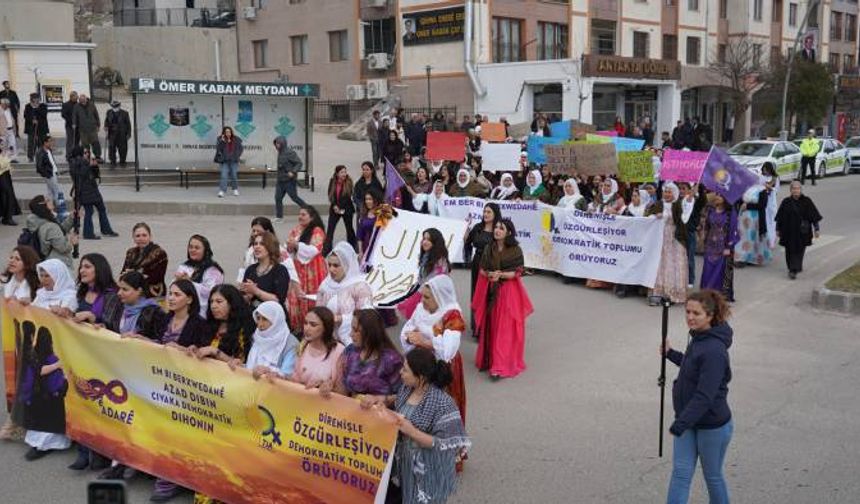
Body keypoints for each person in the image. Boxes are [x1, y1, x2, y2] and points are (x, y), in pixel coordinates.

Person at [367, 347, 469, 504]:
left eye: (405, 370)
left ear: (420, 377)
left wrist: (411, 431)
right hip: (405, 464)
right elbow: (398, 400)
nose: (400, 372)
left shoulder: (442, 403)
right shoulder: (407, 389)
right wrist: (382, 400)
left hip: (428, 470)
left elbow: (447, 444)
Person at [663, 290, 734, 504]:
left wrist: (680, 423)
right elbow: (693, 367)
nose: (690, 317)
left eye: (696, 313)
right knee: (681, 475)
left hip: (712, 425)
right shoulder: (700, 338)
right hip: (688, 420)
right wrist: (671, 354)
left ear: (710, 316)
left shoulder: (713, 350)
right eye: (687, 311)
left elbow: (705, 395)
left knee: (712, 476)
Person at [20, 259, 79, 460]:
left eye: (48, 275)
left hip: (58, 351)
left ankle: (50, 442)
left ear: (58, 275)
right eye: (42, 275)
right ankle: (37, 438)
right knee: (39, 393)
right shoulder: (41, 294)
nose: (44, 280)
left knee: (52, 392)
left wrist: (62, 313)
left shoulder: (69, 295)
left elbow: (70, 319)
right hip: (40, 351)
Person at [400, 275, 467, 428]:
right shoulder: (421, 309)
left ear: (439, 297)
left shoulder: (452, 315)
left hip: (441, 368)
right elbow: (408, 330)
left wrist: (423, 341)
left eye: (427, 297)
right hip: (420, 365)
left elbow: (447, 351)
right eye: (422, 295)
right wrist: (410, 337)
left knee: (441, 411)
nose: (422, 300)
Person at [473, 219, 533, 379]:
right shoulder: (488, 248)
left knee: (504, 329)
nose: (497, 230)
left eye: (501, 228)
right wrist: (489, 274)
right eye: (496, 227)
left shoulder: (515, 250)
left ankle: (499, 366)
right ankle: (490, 360)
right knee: (492, 326)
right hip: (491, 292)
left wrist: (501, 275)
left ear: (509, 232)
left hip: (508, 293)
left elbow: (518, 272)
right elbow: (482, 269)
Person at [0, 246, 39, 442]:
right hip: (12, 337)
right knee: (15, 377)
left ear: (27, 263)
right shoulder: (8, 281)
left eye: (18, 258)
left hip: (30, 339)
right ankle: (17, 420)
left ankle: (16, 421)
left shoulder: (33, 284)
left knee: (26, 378)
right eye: (11, 257)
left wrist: (30, 303)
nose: (12, 261)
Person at [333, 309, 402, 398]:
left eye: (356, 330)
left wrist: (380, 400)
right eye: (351, 329)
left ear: (370, 332)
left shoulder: (391, 360)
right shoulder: (350, 351)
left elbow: (401, 396)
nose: (350, 334)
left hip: (379, 410)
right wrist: (329, 388)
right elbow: (343, 389)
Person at [317, 242, 374, 346]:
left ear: (347, 265)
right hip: (330, 340)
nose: (331, 269)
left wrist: (342, 319)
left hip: (354, 341)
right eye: (329, 265)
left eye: (336, 265)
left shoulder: (360, 286)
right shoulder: (325, 285)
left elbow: (368, 315)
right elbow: (318, 310)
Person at [284, 205, 327, 331]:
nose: (300, 217)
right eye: (299, 214)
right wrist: (290, 247)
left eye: (303, 214)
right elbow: (289, 249)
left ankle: (314, 325)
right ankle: (298, 327)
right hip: (297, 269)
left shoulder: (317, 231)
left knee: (311, 296)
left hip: (313, 269)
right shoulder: (296, 230)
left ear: (312, 217)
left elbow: (314, 250)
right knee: (297, 295)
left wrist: (297, 245)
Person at [646, 182, 688, 305]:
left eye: (670, 192)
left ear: (674, 193)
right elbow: (648, 217)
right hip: (660, 238)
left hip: (674, 238)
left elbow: (682, 220)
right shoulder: (658, 204)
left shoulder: (678, 205)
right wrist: (654, 215)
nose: (667, 194)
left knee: (674, 263)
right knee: (660, 263)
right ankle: (658, 293)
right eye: (665, 191)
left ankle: (673, 293)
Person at [464, 203, 501, 335]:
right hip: (478, 263)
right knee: (477, 294)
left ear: (495, 213)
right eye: (484, 212)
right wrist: (466, 230)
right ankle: (478, 327)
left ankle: (490, 327)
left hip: (492, 265)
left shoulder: (499, 229)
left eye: (489, 212)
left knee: (491, 296)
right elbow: (467, 242)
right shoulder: (478, 228)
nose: (486, 214)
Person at [397, 228, 451, 319]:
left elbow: (436, 282)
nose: (425, 242)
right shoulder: (426, 255)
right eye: (424, 239)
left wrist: (421, 295)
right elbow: (422, 278)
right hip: (423, 291)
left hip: (432, 296)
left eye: (428, 240)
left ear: (435, 242)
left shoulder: (439, 261)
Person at [286, 306, 345, 388]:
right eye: (305, 323)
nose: (307, 328)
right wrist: (278, 376)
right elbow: (296, 380)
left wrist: (326, 387)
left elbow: (342, 391)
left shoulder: (339, 351)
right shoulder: (303, 346)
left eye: (313, 325)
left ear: (326, 327)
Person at [775, 181, 822, 279]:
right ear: (790, 190)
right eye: (794, 189)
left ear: (801, 190)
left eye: (798, 189)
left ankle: (794, 269)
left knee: (800, 250)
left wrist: (816, 229)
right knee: (789, 250)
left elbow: (814, 216)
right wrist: (778, 229)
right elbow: (780, 217)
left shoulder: (807, 201)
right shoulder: (786, 202)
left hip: (802, 232)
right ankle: (792, 267)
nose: (796, 190)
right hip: (788, 231)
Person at [69, 146, 118, 240]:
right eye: (85, 152)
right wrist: (89, 165)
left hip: (91, 190)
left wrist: (95, 166)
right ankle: (89, 233)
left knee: (101, 209)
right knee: (89, 211)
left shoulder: (81, 162)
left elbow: (94, 175)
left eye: (87, 152)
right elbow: (81, 175)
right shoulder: (78, 162)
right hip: (86, 191)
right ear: (79, 153)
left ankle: (105, 229)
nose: (87, 154)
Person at [700, 194, 739, 302]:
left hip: (723, 247)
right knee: (707, 270)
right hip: (710, 246)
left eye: (720, 196)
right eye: (716, 195)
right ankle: (706, 294)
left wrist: (729, 246)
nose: (717, 197)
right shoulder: (710, 210)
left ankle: (719, 296)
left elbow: (734, 230)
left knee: (720, 271)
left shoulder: (730, 213)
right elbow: (705, 225)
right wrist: (703, 235)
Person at [175, 235, 224, 317]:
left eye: (197, 248)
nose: (193, 250)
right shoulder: (184, 266)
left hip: (203, 314)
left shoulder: (213, 270)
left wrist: (189, 283)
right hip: (182, 312)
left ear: (205, 251)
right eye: (190, 247)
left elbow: (212, 293)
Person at [72, 253, 122, 332]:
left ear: (100, 269)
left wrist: (91, 317)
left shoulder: (112, 295)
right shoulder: (83, 291)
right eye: (81, 267)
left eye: (87, 267)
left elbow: (112, 326)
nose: (81, 271)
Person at [24, 196, 77, 269]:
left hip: (47, 260)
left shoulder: (39, 221)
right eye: (48, 200)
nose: (51, 201)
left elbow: (60, 230)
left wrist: (71, 218)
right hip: (59, 263)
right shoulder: (50, 226)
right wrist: (71, 242)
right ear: (42, 205)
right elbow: (63, 248)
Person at [240, 230, 290, 309]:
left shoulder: (280, 270)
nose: (257, 246)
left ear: (271, 247)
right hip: (252, 315)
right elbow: (244, 300)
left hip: (272, 316)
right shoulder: (250, 270)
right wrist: (247, 296)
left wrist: (256, 291)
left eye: (262, 244)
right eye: (255, 244)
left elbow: (278, 300)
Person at [121, 222, 169, 299]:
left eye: (144, 235)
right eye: (137, 236)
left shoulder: (160, 253)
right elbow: (122, 274)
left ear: (150, 237)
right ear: (133, 238)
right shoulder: (130, 252)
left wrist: (133, 274)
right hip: (132, 291)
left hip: (152, 292)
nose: (141, 238)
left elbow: (156, 278)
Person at [734, 185, 773, 267]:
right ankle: (742, 258)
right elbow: (740, 201)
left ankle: (752, 258)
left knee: (753, 238)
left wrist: (748, 206)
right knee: (743, 237)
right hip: (744, 218)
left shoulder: (762, 190)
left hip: (756, 219)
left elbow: (762, 205)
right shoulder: (745, 187)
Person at [324, 165, 357, 254]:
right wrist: (334, 206)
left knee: (349, 229)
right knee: (330, 229)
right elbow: (330, 194)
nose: (344, 174)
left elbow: (347, 196)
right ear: (337, 173)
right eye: (342, 172)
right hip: (335, 209)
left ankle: (353, 247)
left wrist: (340, 208)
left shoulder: (349, 182)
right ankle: (326, 250)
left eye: (345, 172)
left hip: (346, 209)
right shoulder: (332, 181)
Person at [679, 183, 706, 288]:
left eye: (683, 188)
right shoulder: (678, 202)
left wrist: (699, 189)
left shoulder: (695, 202)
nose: (681, 191)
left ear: (690, 190)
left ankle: (690, 280)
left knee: (689, 258)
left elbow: (702, 201)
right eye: (680, 188)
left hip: (690, 233)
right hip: (679, 234)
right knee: (679, 258)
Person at [273, 136, 306, 221]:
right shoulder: (279, 152)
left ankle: (309, 211)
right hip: (280, 180)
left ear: (283, 144)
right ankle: (279, 217)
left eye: (278, 143)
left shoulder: (290, 152)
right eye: (276, 143)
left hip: (289, 181)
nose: (277, 145)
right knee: (278, 198)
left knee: (294, 198)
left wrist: (293, 172)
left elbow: (299, 163)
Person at [353, 160, 383, 229]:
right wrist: (361, 205)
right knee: (360, 229)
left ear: (372, 170)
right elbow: (355, 196)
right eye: (363, 170)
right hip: (361, 210)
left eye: (367, 169)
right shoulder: (359, 183)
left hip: (373, 211)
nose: (365, 171)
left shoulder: (376, 183)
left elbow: (380, 196)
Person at [215, 126, 243, 198]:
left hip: (234, 161)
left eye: (229, 132)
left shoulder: (236, 139)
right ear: (224, 133)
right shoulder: (220, 139)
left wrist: (237, 156)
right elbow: (218, 149)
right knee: (224, 176)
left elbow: (241, 148)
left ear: (231, 132)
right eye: (226, 132)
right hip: (225, 161)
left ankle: (235, 189)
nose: (228, 133)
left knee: (234, 175)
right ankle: (222, 191)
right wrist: (222, 141)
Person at [35, 135, 63, 207]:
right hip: (49, 174)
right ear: (45, 143)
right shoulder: (40, 152)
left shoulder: (49, 150)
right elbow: (39, 166)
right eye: (49, 141)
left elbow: (52, 162)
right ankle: (59, 207)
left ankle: (50, 207)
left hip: (53, 173)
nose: (51, 143)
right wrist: (46, 174)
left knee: (50, 192)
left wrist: (56, 170)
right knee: (56, 190)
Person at [73, 94, 101, 160]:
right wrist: (74, 123)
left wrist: (98, 125)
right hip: (82, 129)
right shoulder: (76, 106)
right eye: (81, 101)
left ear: (86, 99)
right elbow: (74, 116)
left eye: (83, 100)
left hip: (92, 128)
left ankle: (98, 156)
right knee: (85, 144)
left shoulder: (92, 105)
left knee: (95, 143)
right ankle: (87, 157)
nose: (82, 102)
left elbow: (96, 115)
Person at [104, 101, 132, 168]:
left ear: (119, 106)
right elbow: (106, 121)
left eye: (116, 107)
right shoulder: (109, 112)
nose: (114, 108)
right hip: (112, 133)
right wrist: (106, 126)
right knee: (111, 148)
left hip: (121, 133)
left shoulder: (125, 113)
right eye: (113, 107)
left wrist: (129, 134)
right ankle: (113, 161)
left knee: (122, 149)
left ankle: (122, 161)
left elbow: (128, 124)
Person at [357, 188, 384, 255]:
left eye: (370, 199)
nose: (367, 201)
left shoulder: (381, 213)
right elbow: (360, 235)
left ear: (375, 200)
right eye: (366, 199)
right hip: (366, 247)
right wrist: (360, 252)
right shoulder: (363, 214)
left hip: (378, 247)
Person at [23, 93, 48, 162]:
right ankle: (31, 157)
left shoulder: (43, 106)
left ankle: (42, 157)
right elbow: (25, 115)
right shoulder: (28, 106)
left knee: (41, 143)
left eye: (38, 98)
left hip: (41, 128)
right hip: (31, 128)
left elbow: (44, 114)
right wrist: (32, 120)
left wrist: (37, 107)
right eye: (35, 98)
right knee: (31, 143)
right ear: (32, 99)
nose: (37, 99)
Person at [0, 143, 20, 225]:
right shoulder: (3, 154)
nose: (2, 146)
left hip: (5, 175)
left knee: (8, 196)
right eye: (0, 144)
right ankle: (7, 218)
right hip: (1, 176)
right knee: (7, 195)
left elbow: (6, 166)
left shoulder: (2, 153)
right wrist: (7, 157)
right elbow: (2, 165)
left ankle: (7, 217)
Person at [61, 91, 79, 156]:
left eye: (77, 96)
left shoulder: (78, 105)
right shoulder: (66, 105)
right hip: (69, 126)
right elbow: (63, 115)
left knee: (77, 140)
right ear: (71, 97)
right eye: (75, 97)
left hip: (78, 126)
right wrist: (72, 121)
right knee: (70, 141)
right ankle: (68, 154)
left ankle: (76, 154)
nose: (77, 98)